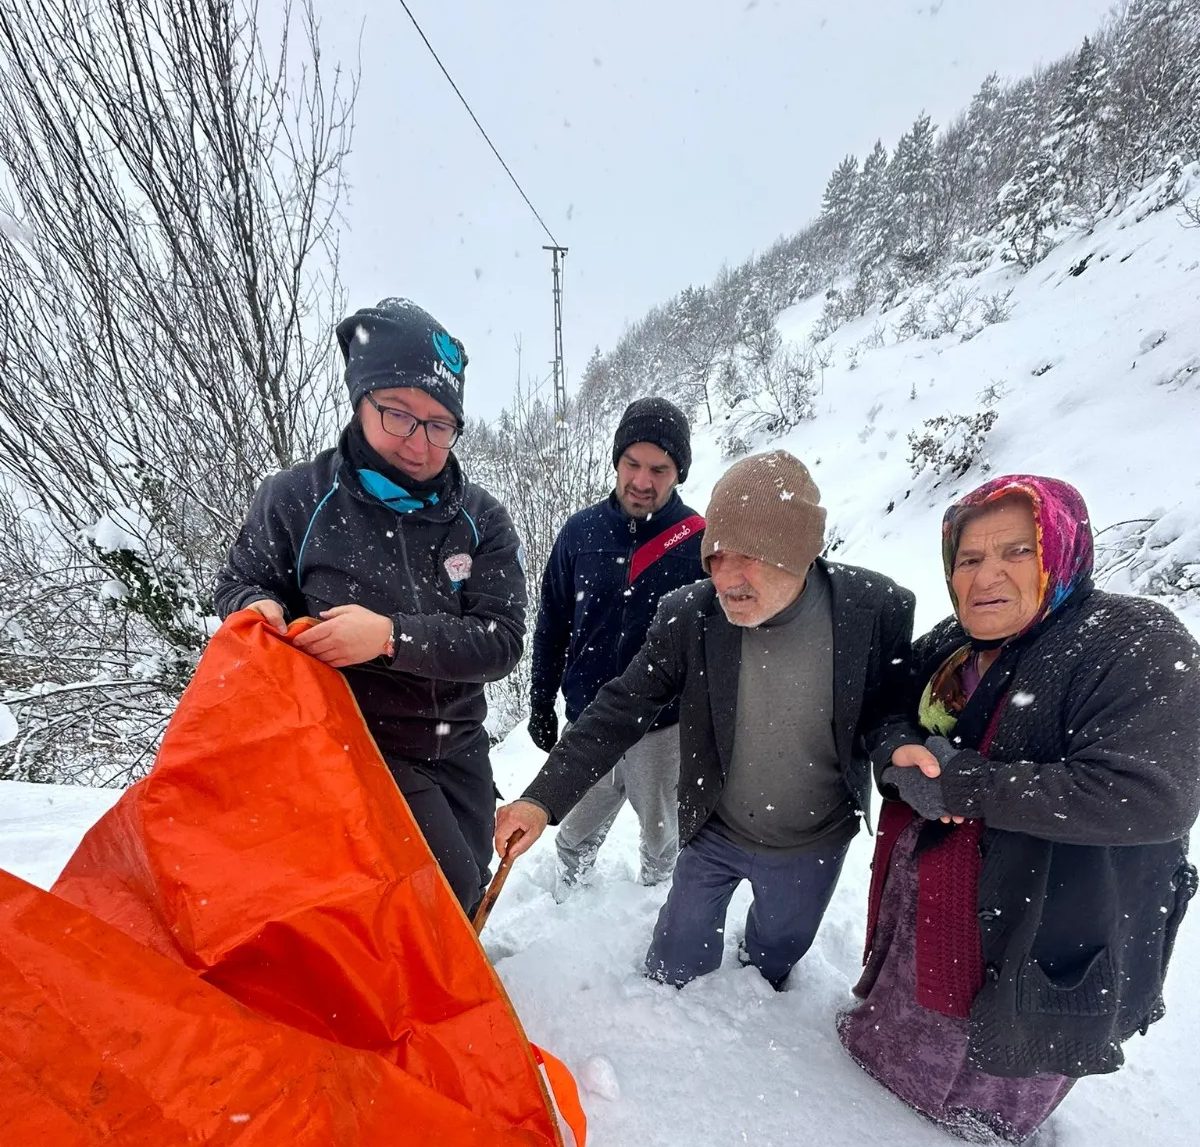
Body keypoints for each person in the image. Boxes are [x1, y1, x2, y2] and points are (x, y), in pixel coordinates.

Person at [839, 474, 1200, 1145]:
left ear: (1062, 549)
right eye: (969, 558)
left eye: (1016, 551)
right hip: (941, 895)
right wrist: (897, 759)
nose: (986, 575)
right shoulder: (957, 643)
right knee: (910, 1018)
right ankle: (889, 1077)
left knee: (999, 1061)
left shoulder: (1134, 641)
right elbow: (886, 704)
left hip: (1048, 915)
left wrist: (964, 787)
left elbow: (1151, 796)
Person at [496, 451, 915, 989]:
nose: (727, 578)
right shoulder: (688, 615)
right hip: (715, 829)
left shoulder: (875, 608)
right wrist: (540, 798)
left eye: (749, 556)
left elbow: (890, 709)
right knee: (672, 962)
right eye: (716, 556)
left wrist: (898, 749)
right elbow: (620, 707)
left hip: (814, 839)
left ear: (799, 548)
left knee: (771, 961)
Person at [213, 297, 525, 915]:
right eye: (398, 414)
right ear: (360, 402)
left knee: (465, 884)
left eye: (441, 424)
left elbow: (501, 638)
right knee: (425, 896)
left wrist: (392, 637)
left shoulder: (480, 519)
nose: (419, 442)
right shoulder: (296, 500)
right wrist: (258, 608)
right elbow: (238, 584)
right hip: (356, 743)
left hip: (458, 741)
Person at [528, 398, 704, 899]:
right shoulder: (580, 533)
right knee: (577, 821)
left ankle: (654, 896)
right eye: (632, 464)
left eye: (659, 469)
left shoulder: (700, 542)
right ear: (616, 460)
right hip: (590, 719)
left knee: (662, 831)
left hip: (664, 727)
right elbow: (553, 624)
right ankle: (566, 889)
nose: (642, 481)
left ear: (678, 473)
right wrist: (542, 701)